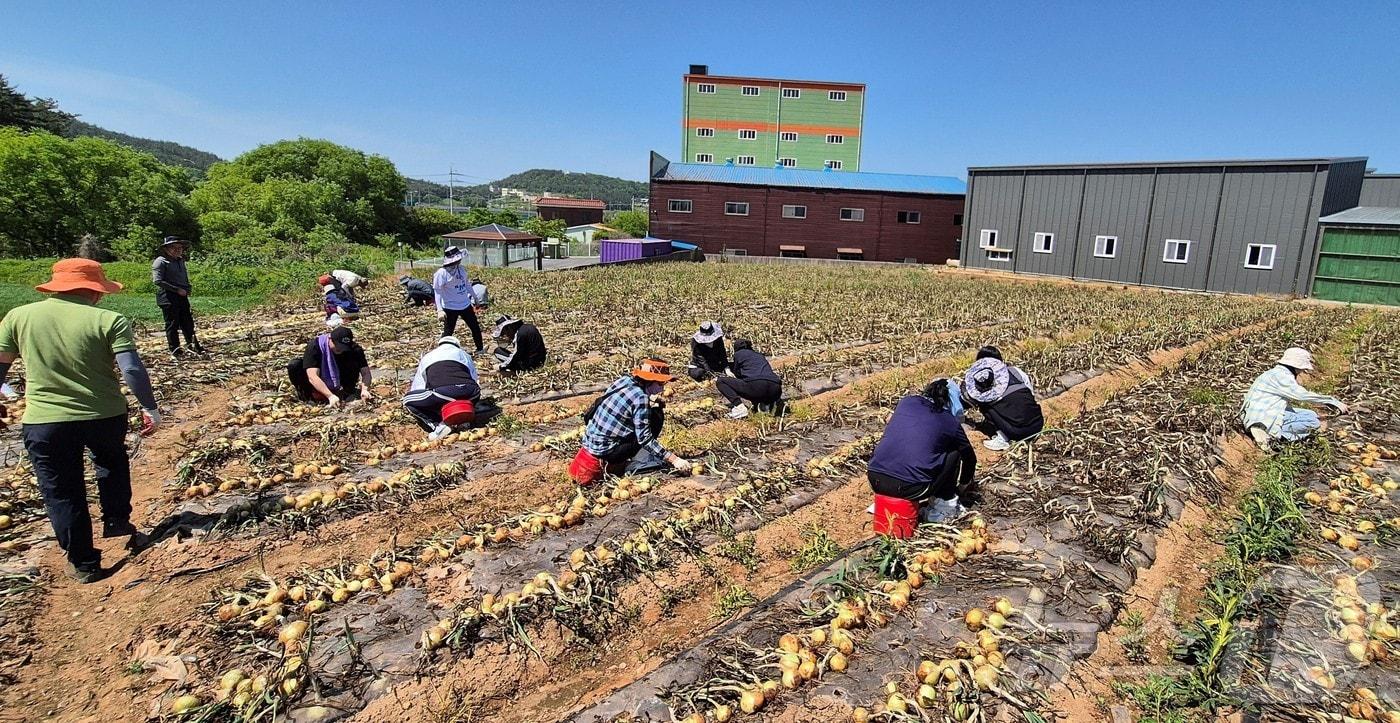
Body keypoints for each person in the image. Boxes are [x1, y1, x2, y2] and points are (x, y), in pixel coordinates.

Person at [0, 259, 161, 582]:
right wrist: (149, 406)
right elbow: (130, 369)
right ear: (94, 290)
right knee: (111, 463)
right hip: (104, 413)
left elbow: (0, 365)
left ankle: (84, 562)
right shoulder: (108, 319)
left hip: (45, 420)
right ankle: (116, 519)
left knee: (61, 489)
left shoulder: (19, 317)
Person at [867, 379, 977, 523]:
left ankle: (884, 502)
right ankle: (945, 504)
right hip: (912, 488)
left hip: (875, 480)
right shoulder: (950, 421)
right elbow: (969, 458)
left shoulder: (906, 402)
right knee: (954, 451)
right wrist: (963, 485)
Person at [570, 359, 690, 484]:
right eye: (660, 384)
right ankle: (638, 462)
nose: (662, 388)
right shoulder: (640, 398)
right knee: (656, 416)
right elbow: (645, 439)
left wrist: (652, 400)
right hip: (608, 452)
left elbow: (626, 402)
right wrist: (674, 460)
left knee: (652, 410)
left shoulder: (624, 380)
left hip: (592, 442)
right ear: (649, 381)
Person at [1241, 347, 1347, 451]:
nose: (1302, 371)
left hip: (1260, 412)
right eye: (1302, 369)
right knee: (1313, 422)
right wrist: (1331, 401)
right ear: (1296, 366)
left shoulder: (1273, 373)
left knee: (1311, 414)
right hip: (1262, 417)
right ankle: (1274, 437)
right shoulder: (1282, 377)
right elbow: (1302, 395)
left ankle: (1271, 431)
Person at [962, 346, 1044, 451]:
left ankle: (1002, 438)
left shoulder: (984, 386)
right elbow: (1030, 394)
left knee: (984, 404)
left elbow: (969, 400)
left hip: (1017, 432)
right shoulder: (1016, 371)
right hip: (1038, 422)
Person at [403, 336, 481, 440]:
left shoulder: (428, 356)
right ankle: (464, 420)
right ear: (457, 345)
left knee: (408, 400)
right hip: (472, 392)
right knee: (457, 395)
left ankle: (439, 426)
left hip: (445, 393)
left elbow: (419, 387)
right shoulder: (464, 354)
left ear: (439, 345)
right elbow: (474, 378)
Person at [286, 326, 373, 407]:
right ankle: (309, 396)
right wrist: (330, 396)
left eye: (344, 347)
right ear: (330, 339)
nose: (340, 349)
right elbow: (312, 376)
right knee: (294, 365)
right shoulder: (315, 346)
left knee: (352, 357)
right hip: (318, 379)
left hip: (342, 375)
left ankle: (347, 391)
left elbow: (365, 372)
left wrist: (365, 390)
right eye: (338, 346)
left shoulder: (354, 348)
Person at [152, 236, 203, 356]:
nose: (177, 250)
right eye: (173, 247)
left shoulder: (180, 260)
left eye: (179, 248)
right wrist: (176, 289)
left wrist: (187, 287)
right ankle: (175, 349)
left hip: (182, 295)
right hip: (168, 296)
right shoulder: (160, 261)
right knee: (172, 323)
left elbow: (183, 277)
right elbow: (158, 281)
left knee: (187, 322)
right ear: (166, 249)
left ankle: (193, 345)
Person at [433, 246, 484, 352]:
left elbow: (467, 284)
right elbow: (437, 291)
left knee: (475, 327)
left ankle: (480, 349)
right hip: (450, 307)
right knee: (448, 331)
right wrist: (439, 310)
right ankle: (441, 352)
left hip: (465, 304)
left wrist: (475, 298)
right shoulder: (441, 273)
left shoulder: (461, 269)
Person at [718, 339, 783, 419]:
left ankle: (739, 408)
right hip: (776, 389)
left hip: (757, 387)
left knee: (721, 381)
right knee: (757, 388)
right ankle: (766, 406)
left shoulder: (738, 354)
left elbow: (737, 373)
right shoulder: (759, 355)